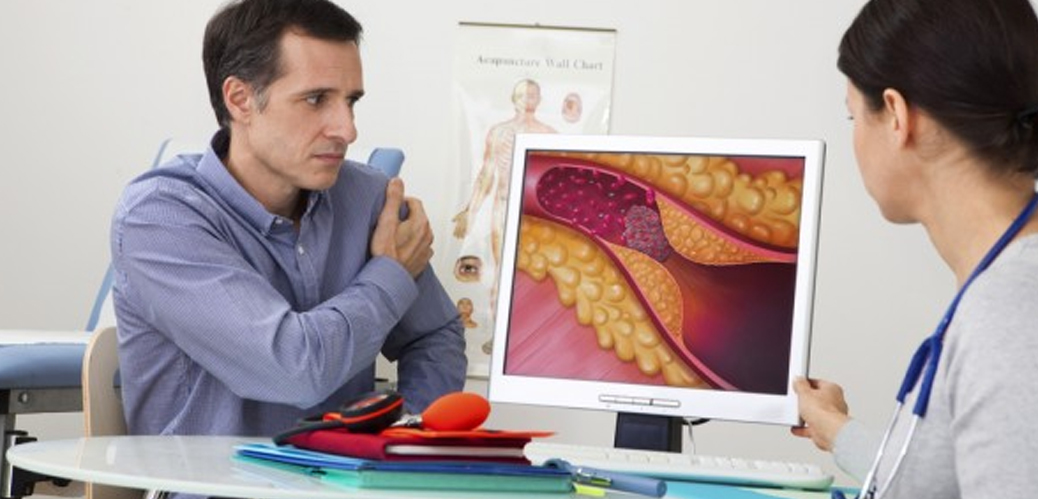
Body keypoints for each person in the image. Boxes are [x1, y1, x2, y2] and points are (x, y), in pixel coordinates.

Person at [110, 0, 466, 448]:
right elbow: (294, 369)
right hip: (206, 481)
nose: (347, 130)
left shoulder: (368, 199)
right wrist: (390, 275)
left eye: (351, 101)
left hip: (341, 480)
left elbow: (435, 334)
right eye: (316, 100)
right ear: (240, 99)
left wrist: (404, 439)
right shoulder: (159, 219)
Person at [792, 0, 1038, 497]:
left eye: (852, 116)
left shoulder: (1008, 316)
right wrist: (837, 429)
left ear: (897, 116)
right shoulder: (1004, 287)